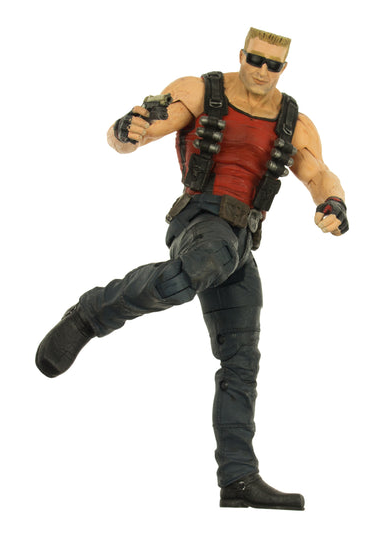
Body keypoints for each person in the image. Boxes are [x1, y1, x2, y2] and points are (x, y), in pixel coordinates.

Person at [36, 28, 349, 510]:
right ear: (242, 55)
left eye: (273, 64)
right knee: (186, 277)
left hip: (242, 244)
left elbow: (317, 171)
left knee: (241, 361)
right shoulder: (202, 90)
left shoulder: (294, 121)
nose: (262, 70)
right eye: (256, 59)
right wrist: (126, 131)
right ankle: (91, 314)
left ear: (284, 68)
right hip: (202, 220)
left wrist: (333, 202)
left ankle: (238, 478)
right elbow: (141, 129)